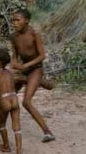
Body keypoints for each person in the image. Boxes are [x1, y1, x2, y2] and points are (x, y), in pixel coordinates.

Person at [10, 9, 55, 142]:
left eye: (18, 20)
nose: (14, 23)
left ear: (26, 21)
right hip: (24, 69)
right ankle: (0, 125)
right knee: (8, 96)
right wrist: (14, 64)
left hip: (36, 69)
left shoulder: (34, 34)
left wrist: (25, 66)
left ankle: (48, 132)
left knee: (26, 102)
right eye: (13, 20)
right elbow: (14, 55)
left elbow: (42, 55)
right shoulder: (14, 37)